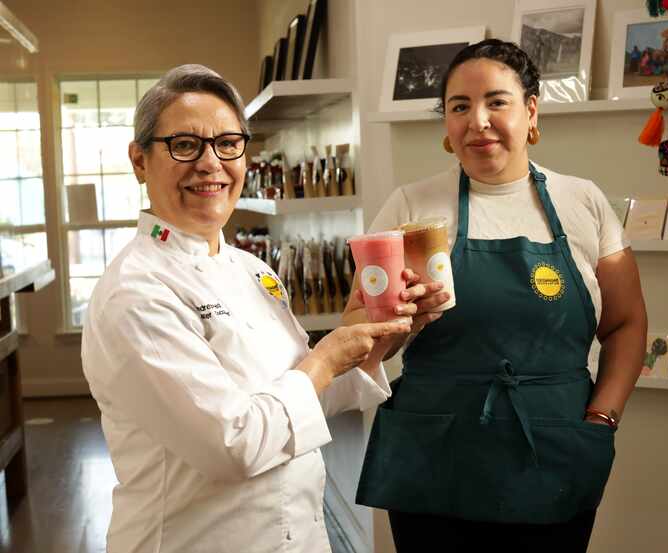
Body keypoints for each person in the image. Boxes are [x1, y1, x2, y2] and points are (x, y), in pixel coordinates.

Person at [81, 64, 417, 553]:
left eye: (228, 143)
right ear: (139, 161)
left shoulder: (249, 269)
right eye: (185, 145)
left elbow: (304, 395)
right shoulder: (135, 293)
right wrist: (325, 358)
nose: (210, 163)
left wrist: (378, 335)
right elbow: (233, 444)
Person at [349, 39, 647, 552]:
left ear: (531, 111)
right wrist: (399, 318)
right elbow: (361, 333)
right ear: (445, 123)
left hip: (553, 450)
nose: (477, 120)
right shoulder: (411, 205)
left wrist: (603, 417)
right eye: (459, 107)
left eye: (496, 101)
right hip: (433, 458)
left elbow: (625, 323)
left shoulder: (583, 202)